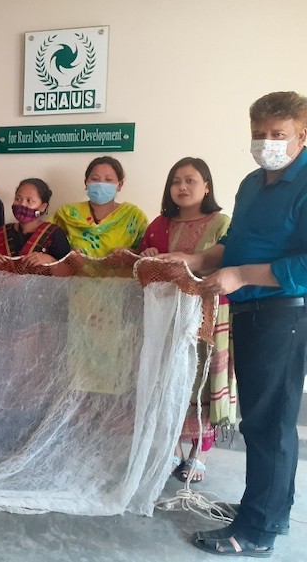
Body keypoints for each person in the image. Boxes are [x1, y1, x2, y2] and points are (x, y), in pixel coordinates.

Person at [162, 92, 307, 557]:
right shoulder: (250, 184)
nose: (267, 143)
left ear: (302, 136)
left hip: (284, 313)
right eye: (259, 134)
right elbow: (234, 245)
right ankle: (268, 510)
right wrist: (195, 258)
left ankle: (257, 532)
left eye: (278, 135)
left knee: (270, 424)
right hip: (248, 310)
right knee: (264, 421)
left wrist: (243, 276)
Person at [139, 157, 234, 484]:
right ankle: (172, 450)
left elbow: (226, 260)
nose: (181, 187)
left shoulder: (222, 224)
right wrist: (148, 257)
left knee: (200, 381)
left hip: (208, 316)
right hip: (166, 315)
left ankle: (200, 453)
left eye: (190, 180)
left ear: (206, 186)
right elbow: (144, 267)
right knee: (166, 379)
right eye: (176, 181)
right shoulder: (158, 225)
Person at [52, 156, 148, 257]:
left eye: (108, 180)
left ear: (120, 185)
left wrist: (130, 253)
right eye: (95, 179)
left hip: (121, 273)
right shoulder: (67, 213)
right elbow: (45, 241)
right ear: (86, 183)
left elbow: (147, 255)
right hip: (74, 272)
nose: (101, 184)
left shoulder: (134, 217)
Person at [0, 178, 70, 265]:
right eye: (18, 199)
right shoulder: (2, 233)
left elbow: (68, 272)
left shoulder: (55, 234)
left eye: (29, 201)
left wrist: (50, 261)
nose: (22, 204)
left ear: (43, 207)